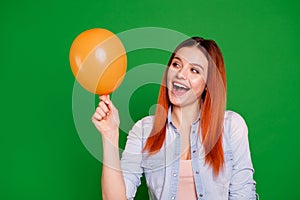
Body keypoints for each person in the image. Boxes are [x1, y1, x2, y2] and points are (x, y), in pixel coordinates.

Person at [92, 37, 258, 200]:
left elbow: (243, 194)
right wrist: (110, 136)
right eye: (176, 64)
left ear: (208, 83)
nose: (180, 74)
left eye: (194, 70)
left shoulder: (230, 126)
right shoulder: (144, 130)